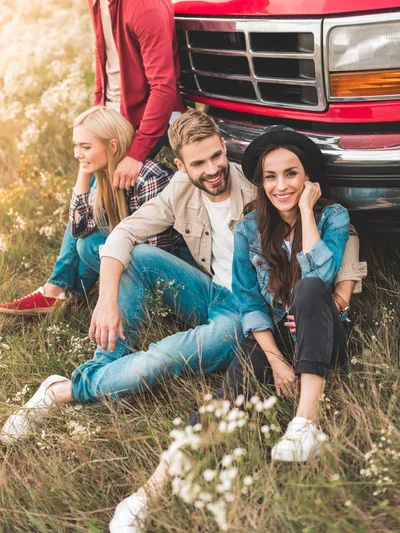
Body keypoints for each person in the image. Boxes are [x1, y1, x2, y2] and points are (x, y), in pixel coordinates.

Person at [0, 113, 364, 444]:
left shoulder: (261, 181)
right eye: (198, 163)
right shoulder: (180, 188)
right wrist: (106, 301)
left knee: (162, 358)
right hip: (207, 291)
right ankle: (102, 368)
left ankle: (64, 391)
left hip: (243, 311)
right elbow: (122, 235)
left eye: (215, 157)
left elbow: (340, 230)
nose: (212, 170)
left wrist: (341, 295)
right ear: (180, 165)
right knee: (137, 256)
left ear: (224, 147)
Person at [107, 123, 367, 533]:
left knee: (311, 287)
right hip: (273, 333)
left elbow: (321, 271)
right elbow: (249, 301)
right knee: (226, 398)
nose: (281, 185)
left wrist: (304, 212)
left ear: (307, 177)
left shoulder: (331, 216)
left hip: (323, 326)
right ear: (260, 182)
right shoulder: (249, 227)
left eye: (291, 174)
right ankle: (149, 490)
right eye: (270, 176)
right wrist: (278, 362)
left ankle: (306, 422)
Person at [0, 106, 179, 315]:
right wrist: (84, 175)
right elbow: (79, 230)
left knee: (94, 246)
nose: (77, 154)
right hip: (139, 255)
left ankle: (72, 296)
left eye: (85, 147)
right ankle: (64, 295)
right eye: (75, 146)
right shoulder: (105, 174)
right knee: (87, 243)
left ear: (112, 146)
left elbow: (156, 254)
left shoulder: (149, 178)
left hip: (171, 272)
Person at [52, 0, 185, 188]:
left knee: (102, 194)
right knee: (85, 182)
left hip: (141, 118)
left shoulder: (145, 2)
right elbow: (101, 56)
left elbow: (163, 87)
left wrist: (136, 153)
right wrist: (96, 113)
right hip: (112, 113)